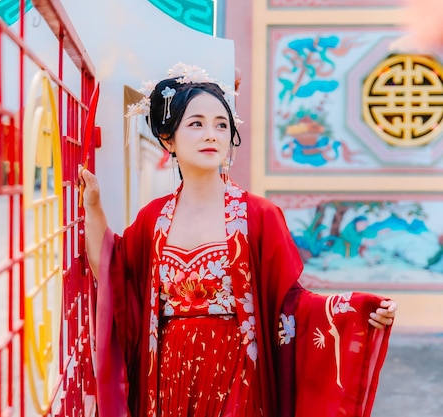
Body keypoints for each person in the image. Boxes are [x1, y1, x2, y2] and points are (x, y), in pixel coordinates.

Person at [78, 63, 396, 417]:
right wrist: (93, 207)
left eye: (221, 125)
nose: (211, 134)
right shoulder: (154, 219)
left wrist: (357, 310)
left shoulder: (258, 215)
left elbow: (291, 303)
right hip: (168, 374)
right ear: (168, 138)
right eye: (196, 123)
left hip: (239, 372)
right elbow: (113, 270)